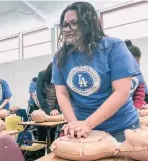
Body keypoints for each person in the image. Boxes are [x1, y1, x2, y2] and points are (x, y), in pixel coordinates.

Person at [52, 2, 140, 142]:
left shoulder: (114, 47)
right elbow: (62, 93)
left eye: (74, 23)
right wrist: (74, 124)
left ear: (89, 24)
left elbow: (121, 92)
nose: (67, 29)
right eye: (64, 24)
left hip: (121, 128)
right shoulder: (60, 56)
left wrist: (88, 123)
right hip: (85, 130)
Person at [36, 63, 60, 144]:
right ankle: (40, 155)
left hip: (53, 110)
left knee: (52, 134)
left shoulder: (59, 78)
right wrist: (49, 110)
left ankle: (51, 154)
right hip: (42, 109)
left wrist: (56, 108)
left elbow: (60, 95)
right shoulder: (42, 75)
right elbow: (39, 95)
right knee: (42, 137)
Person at [125, 40, 147, 108]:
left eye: (138, 62)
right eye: (134, 62)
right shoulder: (119, 73)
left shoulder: (138, 73)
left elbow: (141, 90)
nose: (136, 64)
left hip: (138, 99)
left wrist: (139, 104)